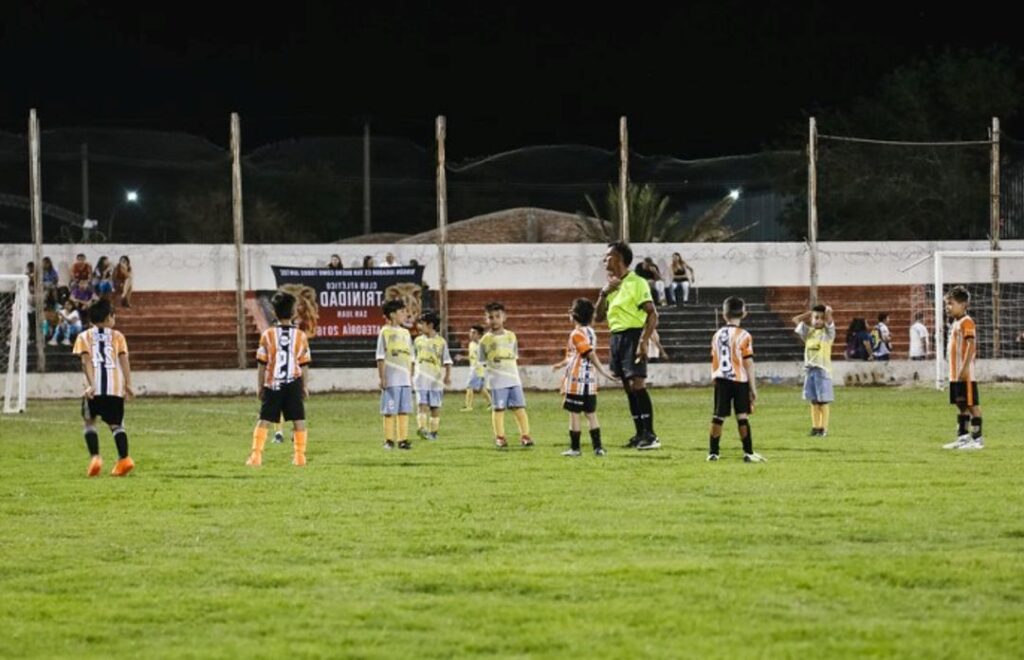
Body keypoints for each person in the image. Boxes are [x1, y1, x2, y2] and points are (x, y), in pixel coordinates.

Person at [595, 241, 660, 450]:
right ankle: (639, 433)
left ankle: (650, 435)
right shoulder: (611, 286)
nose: (605, 260)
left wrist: (643, 340)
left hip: (633, 335)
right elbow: (597, 317)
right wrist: (604, 293)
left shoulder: (637, 282)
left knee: (637, 385)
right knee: (627, 388)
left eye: (608, 256)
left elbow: (652, 313)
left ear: (619, 258)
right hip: (616, 338)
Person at [246, 291, 312, 467]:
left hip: (273, 383)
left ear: (274, 312)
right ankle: (299, 457)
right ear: (293, 313)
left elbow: (262, 363)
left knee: (264, 419)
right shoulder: (301, 336)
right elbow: (304, 364)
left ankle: (256, 456)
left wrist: (260, 386)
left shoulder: (267, 335)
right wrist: (305, 386)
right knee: (299, 420)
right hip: (293, 382)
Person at [72, 298, 135, 477]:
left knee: (89, 422)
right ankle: (124, 460)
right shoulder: (118, 337)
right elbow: (124, 360)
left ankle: (95, 458)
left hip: (94, 390)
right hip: (115, 389)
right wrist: (128, 384)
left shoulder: (84, 336)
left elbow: (86, 361)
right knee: (117, 426)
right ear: (109, 318)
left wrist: (91, 384)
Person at [551, 298, 613, 456]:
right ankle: (598, 447)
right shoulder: (591, 332)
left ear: (574, 315)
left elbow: (588, 353)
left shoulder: (576, 334)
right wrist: (560, 364)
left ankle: (575, 448)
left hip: (576, 381)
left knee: (574, 414)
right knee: (591, 414)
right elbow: (576, 355)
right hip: (590, 381)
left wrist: (603, 370)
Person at [708, 296, 765, 462]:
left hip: (721, 379)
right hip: (739, 380)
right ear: (744, 313)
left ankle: (713, 452)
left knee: (718, 416)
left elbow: (714, 358)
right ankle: (748, 453)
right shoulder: (744, 335)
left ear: (724, 315)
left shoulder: (716, 335)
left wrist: (715, 377)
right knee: (742, 416)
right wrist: (753, 388)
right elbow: (748, 362)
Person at [478, 302, 533, 449]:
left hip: (513, 379)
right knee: (499, 409)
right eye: (491, 317)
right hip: (497, 381)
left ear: (504, 317)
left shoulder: (511, 336)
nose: (494, 320)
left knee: (519, 407)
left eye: (497, 316)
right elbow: (482, 362)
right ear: (486, 319)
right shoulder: (484, 340)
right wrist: (484, 379)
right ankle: (500, 437)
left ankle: (525, 436)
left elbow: (514, 357)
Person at [942, 286, 983, 450]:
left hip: (964, 373)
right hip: (955, 373)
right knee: (961, 405)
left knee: (972, 405)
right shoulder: (956, 322)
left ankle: (977, 439)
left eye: (951, 303)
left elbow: (971, 344)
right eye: (947, 304)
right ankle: (963, 437)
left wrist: (965, 368)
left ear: (963, 304)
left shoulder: (967, 322)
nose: (948, 307)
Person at [793, 303, 836, 437]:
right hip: (810, 370)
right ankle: (815, 427)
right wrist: (809, 312)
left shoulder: (828, 333)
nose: (818, 320)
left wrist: (827, 312)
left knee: (823, 400)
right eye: (815, 318)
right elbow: (795, 320)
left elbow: (829, 318)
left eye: (820, 318)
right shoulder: (809, 332)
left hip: (822, 370)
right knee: (813, 400)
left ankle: (823, 428)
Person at [376, 299, 414, 450]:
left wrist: (411, 376)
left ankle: (403, 440)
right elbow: (380, 356)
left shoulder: (406, 333)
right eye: (402, 312)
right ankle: (388, 440)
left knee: (404, 409)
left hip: (405, 379)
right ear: (392, 315)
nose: (405, 314)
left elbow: (410, 357)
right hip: (391, 379)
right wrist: (382, 377)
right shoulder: (385, 332)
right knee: (389, 410)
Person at [412, 310, 453, 441]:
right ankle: (422, 429)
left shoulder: (441, 342)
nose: (419, 326)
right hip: (420, 379)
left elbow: (447, 361)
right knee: (421, 404)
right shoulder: (417, 341)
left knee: (435, 407)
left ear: (430, 325)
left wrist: (447, 376)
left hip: (435, 380)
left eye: (421, 324)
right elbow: (413, 359)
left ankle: (434, 432)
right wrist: (411, 374)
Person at [460, 324, 491, 411]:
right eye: (470, 332)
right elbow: (472, 357)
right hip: (475, 368)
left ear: (479, 335)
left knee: (469, 386)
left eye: (474, 333)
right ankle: (491, 403)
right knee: (481, 388)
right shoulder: (471, 344)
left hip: (478, 369)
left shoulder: (482, 345)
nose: (471, 334)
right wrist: (463, 357)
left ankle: (468, 406)